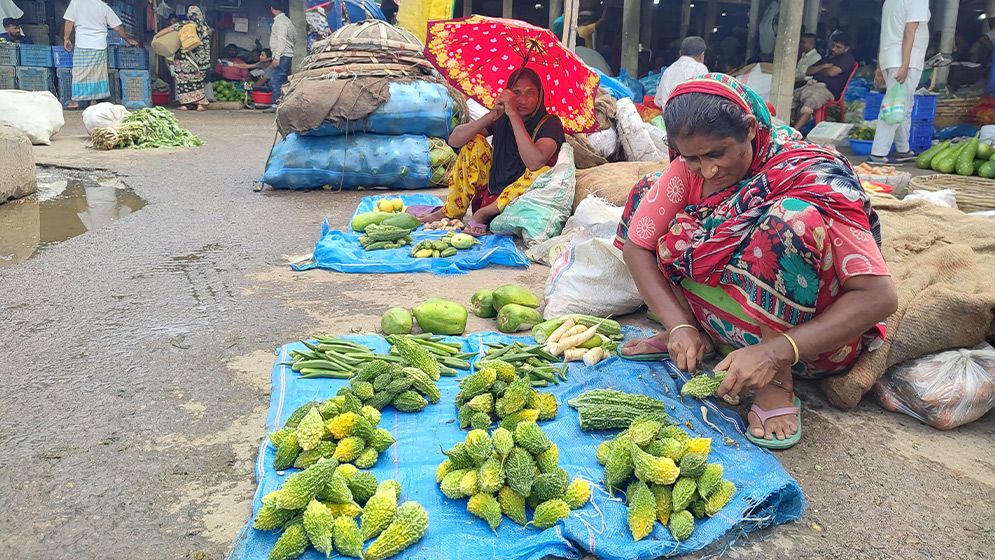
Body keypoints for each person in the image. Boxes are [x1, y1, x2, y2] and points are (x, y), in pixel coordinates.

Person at [616, 74, 897, 449]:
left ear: (750, 129)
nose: (708, 170)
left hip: (808, 346)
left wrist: (773, 354)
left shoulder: (808, 173)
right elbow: (637, 246)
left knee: (789, 221)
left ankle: (778, 383)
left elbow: (879, 298)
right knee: (645, 194)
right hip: (728, 330)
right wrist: (679, 325)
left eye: (717, 153)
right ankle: (701, 335)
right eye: (692, 157)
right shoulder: (687, 172)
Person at [412, 68, 565, 236]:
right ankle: (451, 211)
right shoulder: (501, 117)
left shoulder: (550, 123)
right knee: (474, 143)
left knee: (541, 170)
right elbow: (454, 140)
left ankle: (483, 214)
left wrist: (514, 115)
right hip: (490, 195)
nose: (522, 100)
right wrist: (491, 116)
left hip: (522, 200)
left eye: (530, 93)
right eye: (517, 93)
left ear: (540, 96)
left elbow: (535, 162)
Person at [868, 0, 930, 165]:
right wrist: (905, 65)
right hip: (905, 61)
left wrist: (880, 67)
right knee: (894, 106)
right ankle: (878, 153)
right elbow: (910, 32)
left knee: (904, 106)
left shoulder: (890, 2)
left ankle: (903, 150)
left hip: (890, 58)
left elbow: (885, 33)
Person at [62, 0, 138, 110]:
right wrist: (127, 39)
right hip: (99, 45)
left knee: (79, 72)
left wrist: (66, 39)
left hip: (82, 43)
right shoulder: (103, 7)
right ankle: (93, 101)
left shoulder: (76, 3)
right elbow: (117, 27)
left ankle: (75, 101)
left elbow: (69, 22)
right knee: (96, 73)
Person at [791, 33, 856, 130]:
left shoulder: (847, 59)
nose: (834, 49)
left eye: (838, 47)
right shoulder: (829, 57)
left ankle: (794, 132)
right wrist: (823, 66)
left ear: (846, 49)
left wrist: (820, 71)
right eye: (833, 46)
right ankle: (785, 127)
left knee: (810, 102)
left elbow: (832, 72)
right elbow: (809, 71)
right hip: (813, 84)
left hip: (828, 89)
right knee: (791, 97)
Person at [154, 5, 212, 111]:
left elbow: (169, 29)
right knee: (198, 81)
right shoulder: (205, 28)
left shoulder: (185, 24)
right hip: (201, 61)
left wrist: (156, 36)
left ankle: (184, 105)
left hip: (184, 59)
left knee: (183, 81)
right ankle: (200, 105)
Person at [654, 36, 709, 111]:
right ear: (702, 56)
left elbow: (658, 101)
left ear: (680, 53)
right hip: (689, 119)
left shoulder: (669, 70)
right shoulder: (699, 68)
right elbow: (705, 100)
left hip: (668, 118)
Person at [266, 0, 296, 110]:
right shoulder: (288, 21)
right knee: (284, 80)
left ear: (271, 8)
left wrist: (277, 57)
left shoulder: (280, 22)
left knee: (276, 79)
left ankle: (276, 104)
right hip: (287, 55)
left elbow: (282, 40)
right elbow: (295, 37)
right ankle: (284, 104)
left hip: (282, 56)